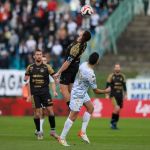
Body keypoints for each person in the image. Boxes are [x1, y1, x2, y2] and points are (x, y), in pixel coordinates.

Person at [58, 52, 111, 146]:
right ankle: (62, 138)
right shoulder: (91, 74)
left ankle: (82, 132)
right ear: (97, 61)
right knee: (73, 116)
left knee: (91, 108)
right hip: (78, 94)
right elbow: (96, 91)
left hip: (82, 91)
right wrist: (106, 91)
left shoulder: (83, 64)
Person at [24, 49, 58, 140]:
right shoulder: (30, 67)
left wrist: (56, 78)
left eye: (40, 54)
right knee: (37, 113)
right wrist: (25, 79)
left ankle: (53, 131)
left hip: (45, 93)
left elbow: (54, 75)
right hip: (35, 94)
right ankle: (39, 132)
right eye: (37, 54)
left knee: (50, 111)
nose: (39, 56)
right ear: (34, 56)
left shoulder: (47, 67)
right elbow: (26, 78)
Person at [54, 30, 91, 107]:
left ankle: (72, 108)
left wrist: (58, 72)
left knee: (63, 89)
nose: (81, 30)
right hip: (75, 66)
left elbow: (68, 62)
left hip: (70, 67)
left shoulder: (76, 47)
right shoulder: (84, 43)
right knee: (71, 90)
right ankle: (81, 103)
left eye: (83, 32)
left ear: (83, 36)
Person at [106, 63, 127, 129]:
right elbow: (107, 85)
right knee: (117, 108)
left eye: (118, 67)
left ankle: (115, 124)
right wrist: (106, 94)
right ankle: (112, 123)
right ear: (114, 68)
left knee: (118, 110)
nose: (117, 68)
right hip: (113, 95)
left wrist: (125, 94)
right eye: (116, 67)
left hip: (120, 95)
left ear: (120, 68)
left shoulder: (122, 76)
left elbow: (124, 86)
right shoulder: (111, 76)